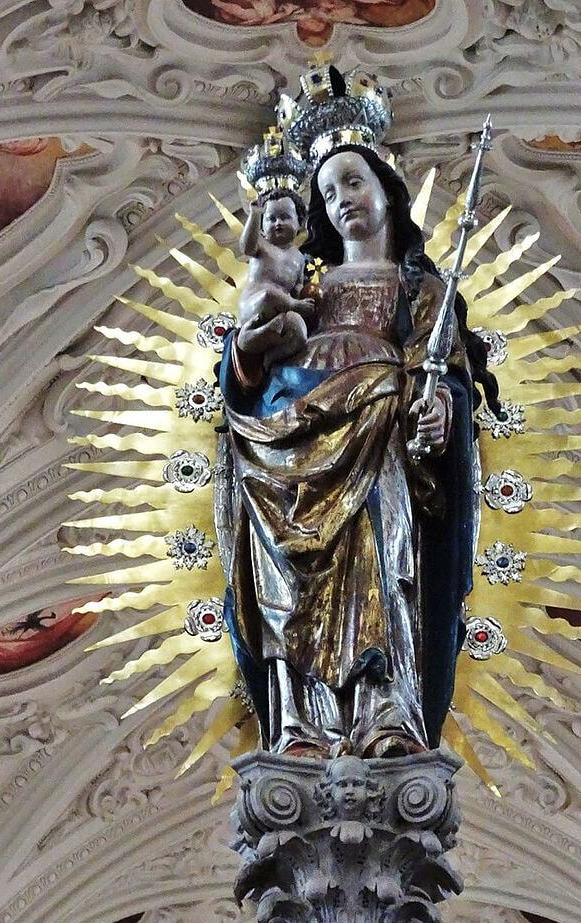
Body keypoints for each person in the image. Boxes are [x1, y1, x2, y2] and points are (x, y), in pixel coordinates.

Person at [217, 142, 500, 759]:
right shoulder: (306, 283)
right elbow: (246, 371)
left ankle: (386, 713)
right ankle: (300, 725)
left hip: (380, 443)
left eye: (352, 182)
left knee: (381, 562)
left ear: (386, 193)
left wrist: (440, 408)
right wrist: (245, 352)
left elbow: (443, 376)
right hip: (288, 447)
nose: (341, 200)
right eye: (327, 194)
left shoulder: (421, 290)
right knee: (291, 579)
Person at [236, 190, 315, 372]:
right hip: (256, 305)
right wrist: (254, 214)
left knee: (298, 328)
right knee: (269, 294)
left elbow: (297, 286)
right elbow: (246, 246)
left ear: (299, 222)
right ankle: (247, 333)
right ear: (262, 227)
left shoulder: (299, 258)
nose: (278, 223)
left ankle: (269, 360)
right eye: (271, 219)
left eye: (285, 217)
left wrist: (303, 298)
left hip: (282, 312)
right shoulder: (261, 245)